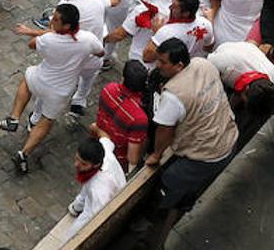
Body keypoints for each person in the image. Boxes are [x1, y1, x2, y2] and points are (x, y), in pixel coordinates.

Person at [0, 5, 105, 175]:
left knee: (26, 80)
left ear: (67, 25)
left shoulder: (48, 40)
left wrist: (41, 32)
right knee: (46, 121)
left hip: (40, 79)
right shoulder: (88, 39)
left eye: (55, 19)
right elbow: (100, 52)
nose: (51, 21)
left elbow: (32, 45)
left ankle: (14, 117)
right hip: (60, 91)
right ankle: (24, 154)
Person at [145, 38, 238, 213]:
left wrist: (156, 155)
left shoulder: (174, 93)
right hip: (229, 135)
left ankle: (162, 211)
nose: (158, 65)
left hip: (208, 154)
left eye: (163, 62)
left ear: (179, 65)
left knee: (170, 180)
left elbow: (164, 130)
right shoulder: (202, 63)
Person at [66, 133, 128, 239]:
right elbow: (107, 140)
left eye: (83, 164)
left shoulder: (99, 191)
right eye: (77, 159)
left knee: (72, 236)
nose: (76, 165)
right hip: (115, 187)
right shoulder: (104, 151)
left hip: (101, 206)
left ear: (96, 165)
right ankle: (77, 206)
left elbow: (97, 219)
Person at [95, 64, 150, 171]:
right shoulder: (139, 118)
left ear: (124, 78)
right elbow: (132, 158)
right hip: (117, 160)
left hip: (99, 142)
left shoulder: (109, 89)